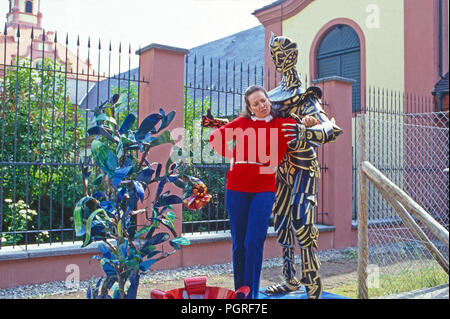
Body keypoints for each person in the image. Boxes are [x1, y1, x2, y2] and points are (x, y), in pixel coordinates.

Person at [202, 85, 316, 299]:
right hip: (236, 188)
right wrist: (232, 158)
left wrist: (310, 121)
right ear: (250, 108)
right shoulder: (241, 123)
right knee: (239, 243)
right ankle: (240, 294)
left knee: (254, 240)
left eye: (263, 100)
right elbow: (215, 138)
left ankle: (251, 296)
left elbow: (306, 125)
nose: (261, 105)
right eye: (255, 104)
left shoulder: (282, 125)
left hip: (264, 188)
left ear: (268, 101)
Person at [263, 33, 343, 299]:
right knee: (282, 222)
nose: (280, 60)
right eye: (276, 55)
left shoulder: (305, 95)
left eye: (284, 54)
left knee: (301, 219)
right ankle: (290, 280)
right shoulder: (272, 96)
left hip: (303, 164)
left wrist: (306, 133)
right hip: (281, 167)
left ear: (294, 56)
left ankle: (312, 282)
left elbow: (330, 127)